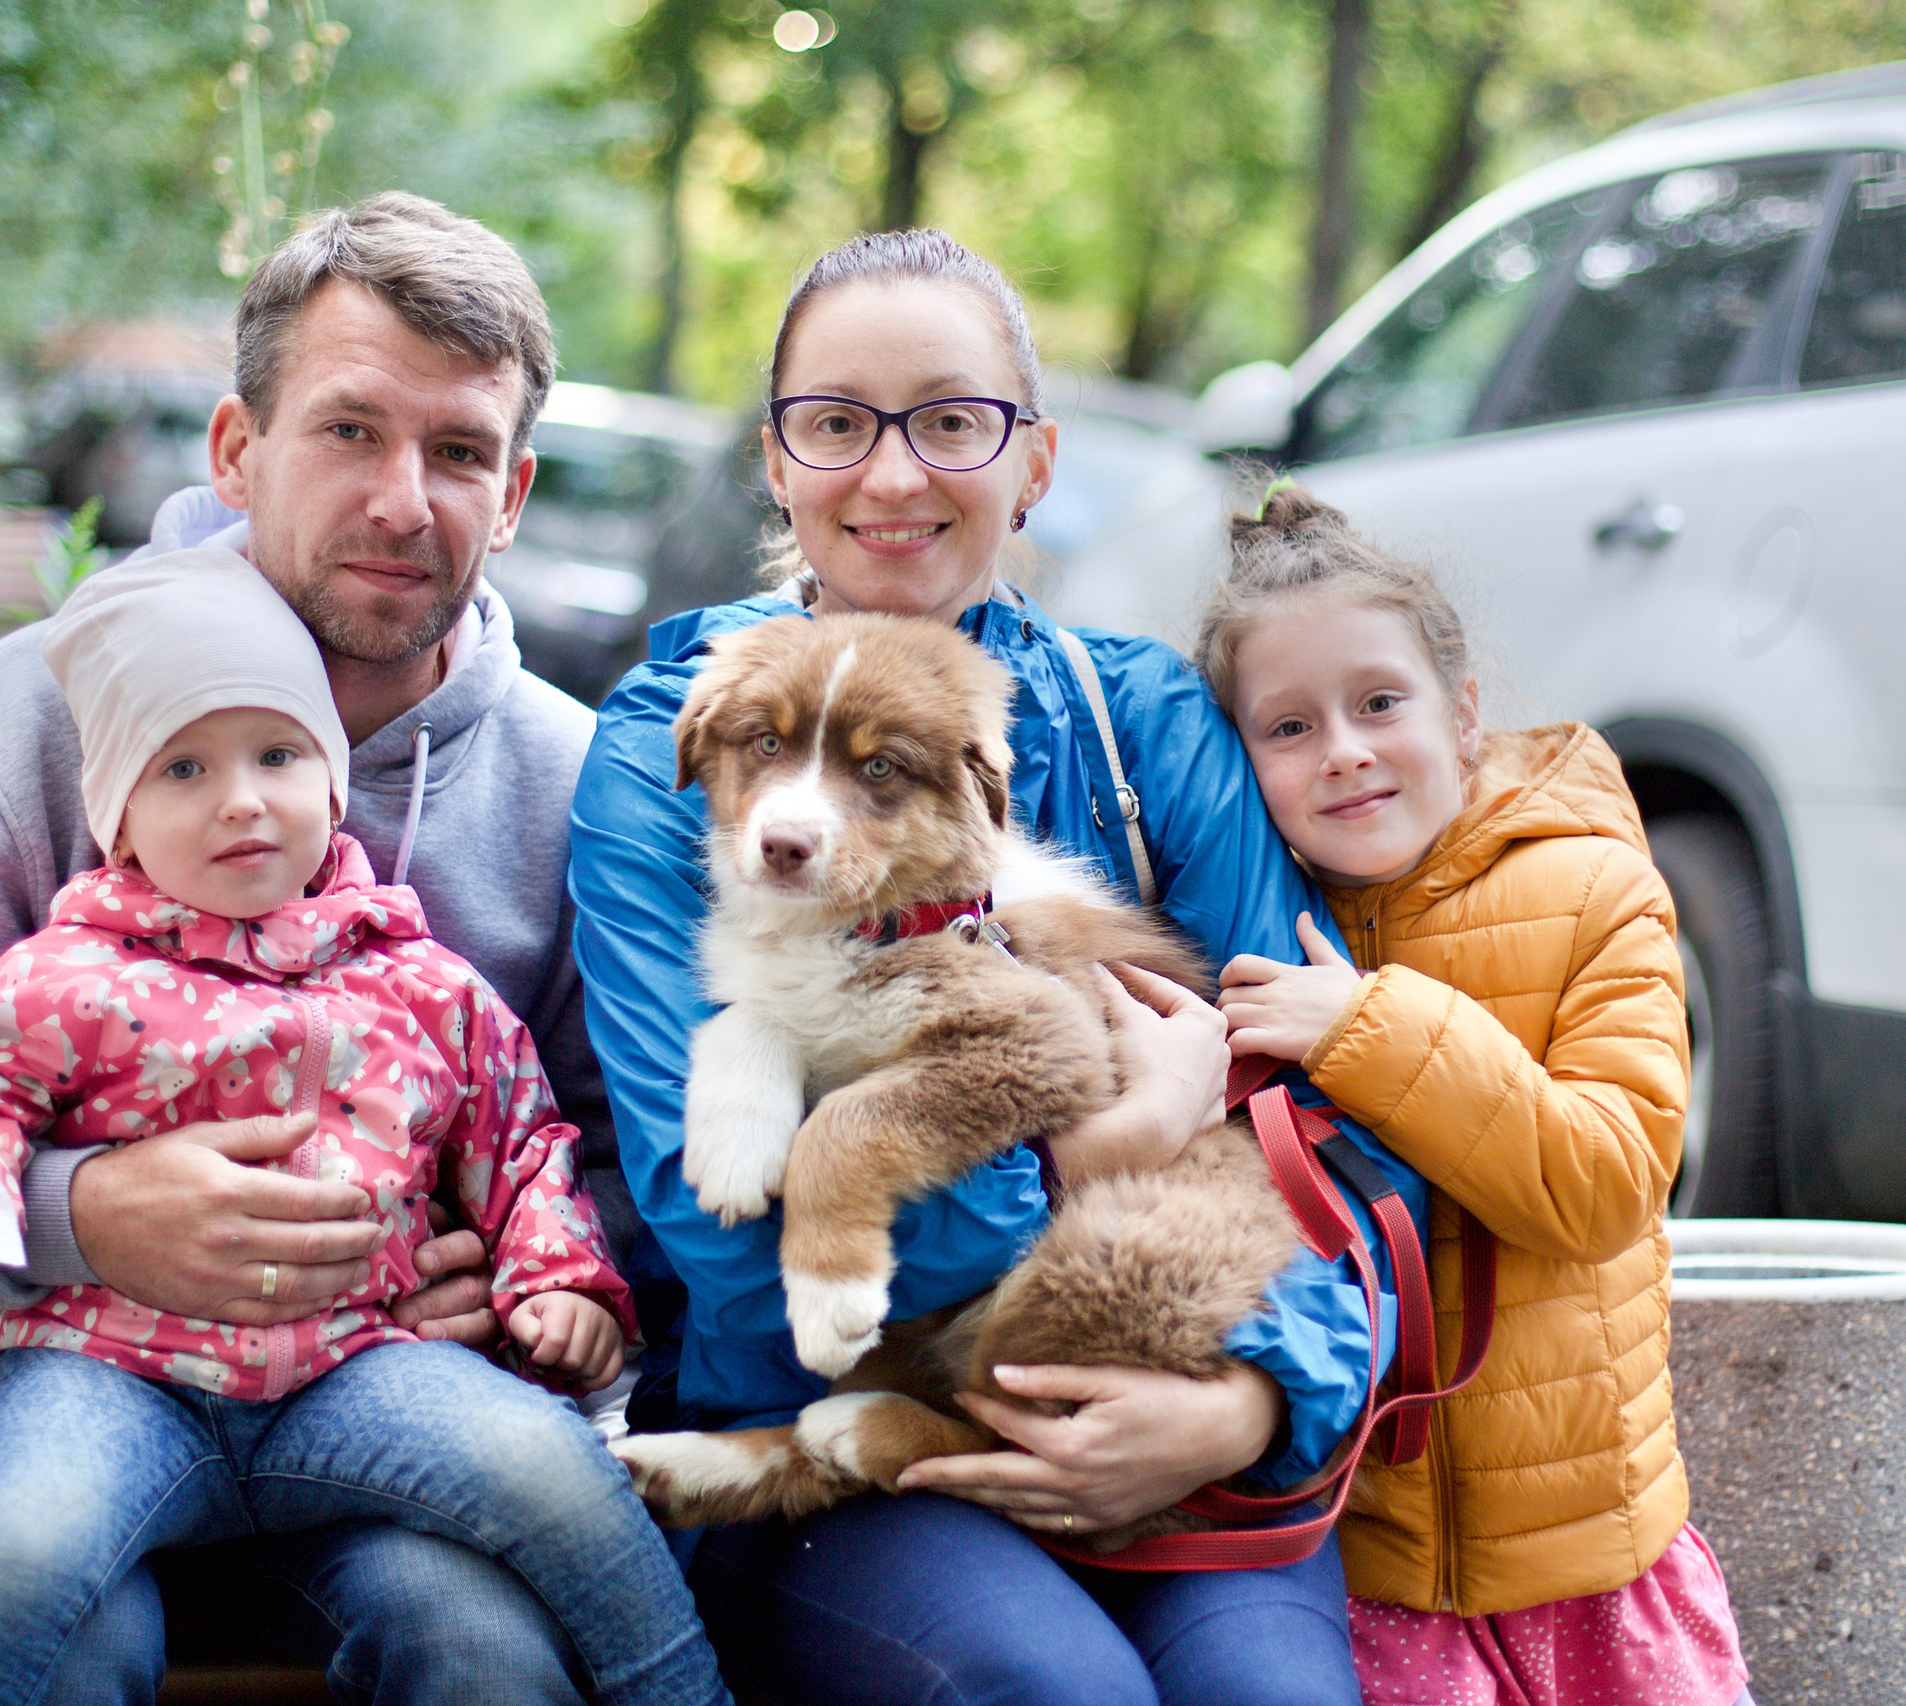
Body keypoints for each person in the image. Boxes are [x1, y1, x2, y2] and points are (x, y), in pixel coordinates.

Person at [0, 192, 636, 1705]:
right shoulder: (37, 707)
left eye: (459, 452)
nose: (403, 499)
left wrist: (521, 1271)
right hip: (2, 1366)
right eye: (349, 432)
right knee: (64, 1641)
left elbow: (617, 1147)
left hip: (381, 1387)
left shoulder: (574, 781)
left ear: (518, 487)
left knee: (484, 1650)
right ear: (236, 450)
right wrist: (80, 1208)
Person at [569, 228, 1426, 1706]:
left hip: (1185, 1387)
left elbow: (1341, 1124)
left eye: (952, 421)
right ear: (776, 459)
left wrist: (1255, 1394)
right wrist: (1122, 1140)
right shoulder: (680, 745)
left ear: (1033, 459)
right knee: (1052, 1691)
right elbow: (732, 1239)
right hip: (841, 1423)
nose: (894, 476)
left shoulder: (1141, 724)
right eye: (836, 423)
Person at [0, 547, 719, 1706]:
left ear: (334, 783)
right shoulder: (68, 977)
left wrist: (553, 1283)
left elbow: (524, 1139)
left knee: (550, 1470)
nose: (241, 798)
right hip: (111, 1368)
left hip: (356, 1362)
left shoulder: (422, 984)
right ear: (122, 818)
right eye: (184, 767)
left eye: (278, 754)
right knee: (14, 1553)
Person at [1202, 482, 1753, 1706]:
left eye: (1378, 702)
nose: (1342, 748)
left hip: (1591, 1572)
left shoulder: (1595, 892)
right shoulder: (1250, 924)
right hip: (1371, 1573)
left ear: (1458, 711)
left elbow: (1605, 1182)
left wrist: (1366, 1025)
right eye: (1286, 727)